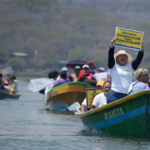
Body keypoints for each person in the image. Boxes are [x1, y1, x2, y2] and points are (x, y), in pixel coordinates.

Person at [107, 37, 144, 104]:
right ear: (117, 58)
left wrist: (141, 50)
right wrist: (112, 46)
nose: (123, 56)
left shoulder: (130, 66)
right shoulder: (113, 66)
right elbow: (110, 56)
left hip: (127, 95)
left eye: (125, 56)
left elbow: (138, 59)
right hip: (114, 95)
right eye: (121, 55)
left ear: (127, 58)